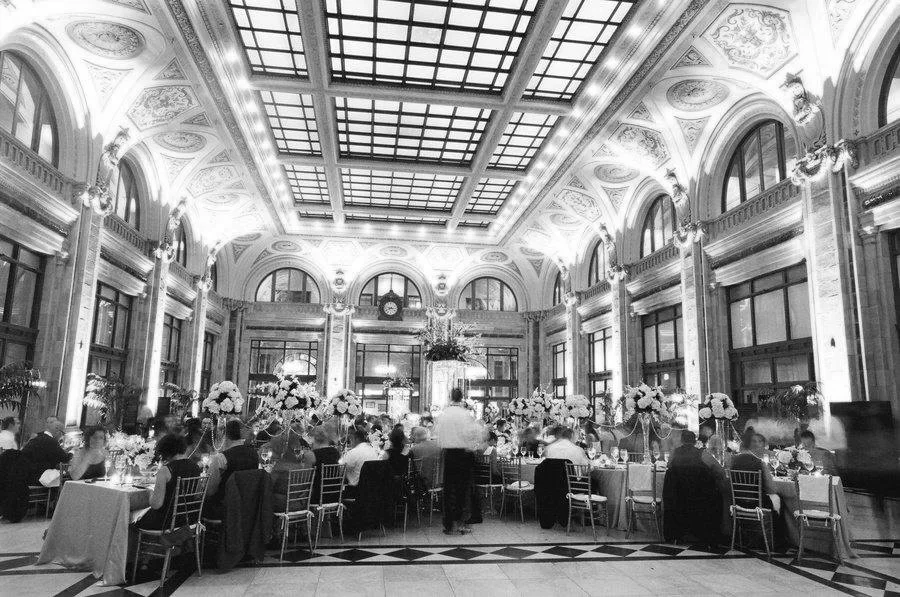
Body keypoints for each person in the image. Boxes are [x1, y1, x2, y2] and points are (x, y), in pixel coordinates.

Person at [433, 388, 480, 535]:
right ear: (461, 398)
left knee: (448, 490)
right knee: (462, 491)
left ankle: (448, 525)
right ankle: (461, 523)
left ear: (450, 397)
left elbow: (437, 435)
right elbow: (474, 433)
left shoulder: (443, 415)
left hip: (448, 455)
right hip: (463, 455)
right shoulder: (465, 414)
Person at [136, 434, 201, 530]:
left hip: (165, 522)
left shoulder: (165, 470)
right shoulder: (195, 467)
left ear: (165, 452)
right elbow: (196, 495)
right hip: (188, 519)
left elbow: (156, 504)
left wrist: (150, 491)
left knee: (131, 517)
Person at [205, 420, 260, 517]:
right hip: (249, 505)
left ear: (225, 435)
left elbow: (210, 490)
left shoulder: (221, 458)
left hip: (224, 507)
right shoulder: (254, 454)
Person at [731, 431, 780, 514]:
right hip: (759, 507)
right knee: (779, 499)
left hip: (737, 504)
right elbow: (771, 489)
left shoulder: (733, 461)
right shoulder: (760, 463)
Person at [21, 416, 72, 484]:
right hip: (36, 478)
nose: (61, 436)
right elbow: (64, 458)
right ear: (58, 431)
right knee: (64, 478)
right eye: (62, 434)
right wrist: (73, 452)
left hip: (24, 475)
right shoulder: (51, 441)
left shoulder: (37, 436)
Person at [340, 428, 380, 498]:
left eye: (351, 439)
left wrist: (341, 456)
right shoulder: (373, 451)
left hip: (355, 492)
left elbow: (339, 470)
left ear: (356, 439)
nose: (350, 442)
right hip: (372, 490)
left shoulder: (354, 452)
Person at [307, 426, 340, 504]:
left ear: (314, 438)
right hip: (335, 494)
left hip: (317, 495)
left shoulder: (312, 454)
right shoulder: (335, 452)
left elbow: (307, 477)